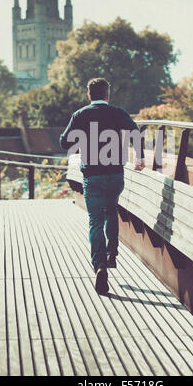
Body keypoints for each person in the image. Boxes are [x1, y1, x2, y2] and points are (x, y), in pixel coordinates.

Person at [60, 78, 145, 295]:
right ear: (108, 94)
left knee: (95, 221)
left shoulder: (80, 115)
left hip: (93, 176)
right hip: (115, 174)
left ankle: (99, 266)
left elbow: (64, 142)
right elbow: (135, 131)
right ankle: (112, 253)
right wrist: (139, 158)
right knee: (112, 211)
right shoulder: (117, 112)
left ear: (89, 95)